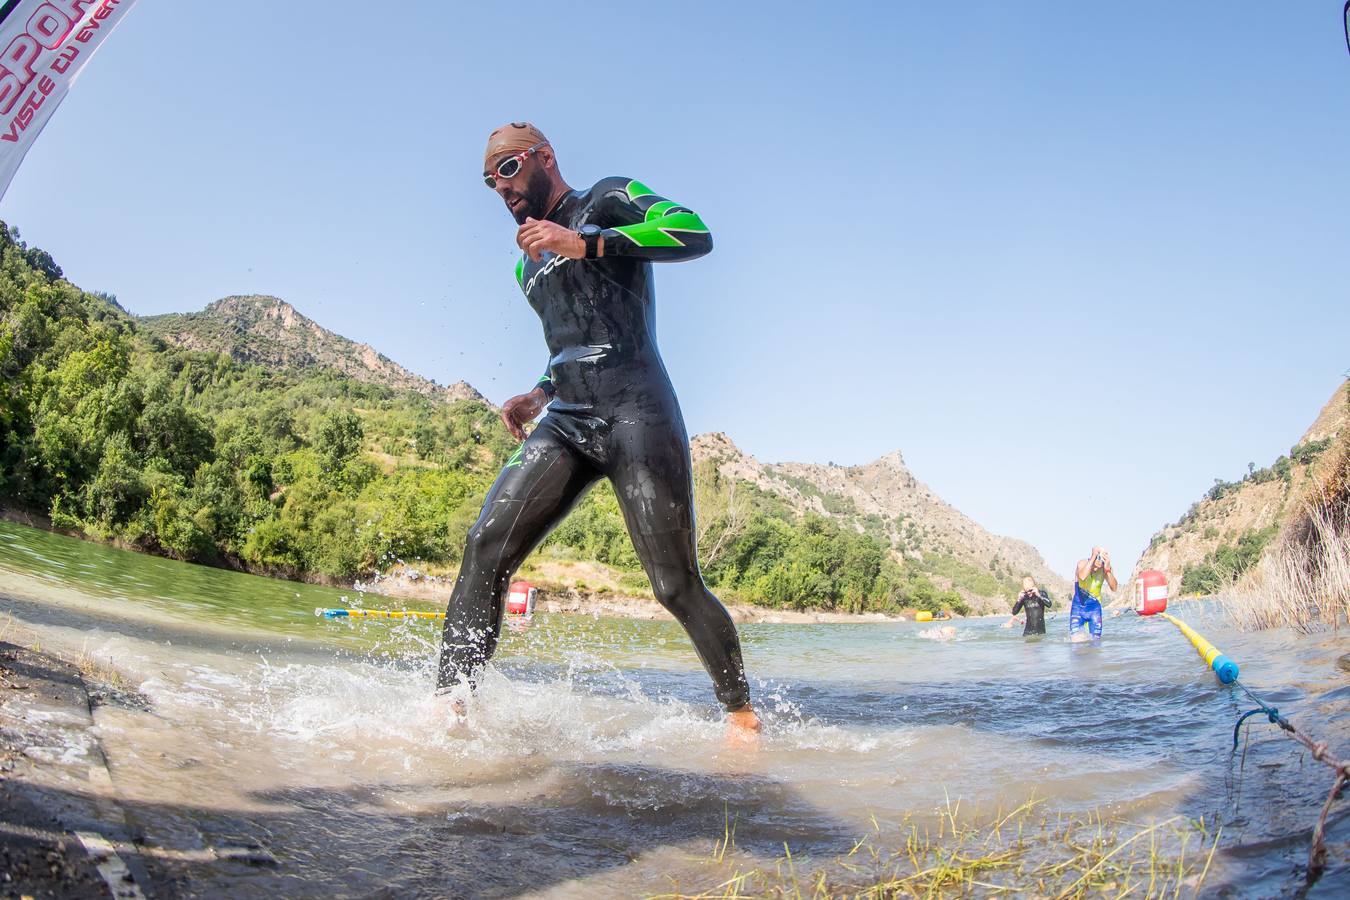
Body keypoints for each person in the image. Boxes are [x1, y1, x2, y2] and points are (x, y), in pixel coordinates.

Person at [436, 123, 760, 737]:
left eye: (507, 169)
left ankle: (742, 717)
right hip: (566, 421)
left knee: (674, 584)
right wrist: (540, 392)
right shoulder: (523, 267)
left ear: (543, 158)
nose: (499, 187)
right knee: (485, 546)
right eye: (487, 179)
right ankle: (450, 705)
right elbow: (571, 340)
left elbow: (694, 232)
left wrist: (588, 243)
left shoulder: (606, 199)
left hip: (637, 409)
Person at [1069, 546, 1117, 641]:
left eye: (1099, 566)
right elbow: (1082, 576)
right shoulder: (1082, 563)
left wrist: (1107, 570)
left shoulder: (1105, 568)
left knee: (1095, 643)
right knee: (1076, 642)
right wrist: (1093, 556)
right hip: (1078, 608)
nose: (1096, 569)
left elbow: (1114, 588)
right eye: (1094, 566)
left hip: (1094, 610)